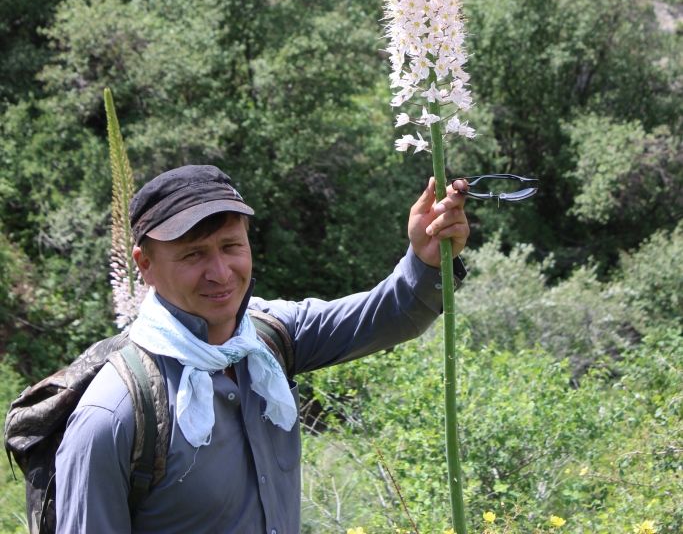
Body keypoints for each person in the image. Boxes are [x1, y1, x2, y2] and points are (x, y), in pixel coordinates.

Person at [55, 164, 470, 534]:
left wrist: (426, 259)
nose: (220, 273)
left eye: (231, 246)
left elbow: (388, 315)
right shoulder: (114, 416)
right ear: (144, 264)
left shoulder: (268, 336)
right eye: (193, 254)